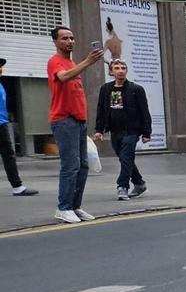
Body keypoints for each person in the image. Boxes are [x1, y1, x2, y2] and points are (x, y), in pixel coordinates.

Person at [48, 26, 104, 224]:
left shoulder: (70, 62)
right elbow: (62, 77)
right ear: (56, 42)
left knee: (82, 166)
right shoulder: (55, 62)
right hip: (64, 121)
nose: (70, 41)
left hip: (78, 122)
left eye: (72, 37)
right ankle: (63, 208)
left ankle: (75, 206)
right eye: (64, 38)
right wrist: (88, 61)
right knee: (70, 166)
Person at [92, 59, 151, 200]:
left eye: (123, 68)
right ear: (111, 72)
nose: (120, 71)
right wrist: (99, 130)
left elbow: (144, 111)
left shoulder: (136, 89)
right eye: (117, 68)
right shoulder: (106, 89)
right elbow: (101, 110)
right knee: (126, 159)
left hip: (131, 131)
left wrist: (146, 132)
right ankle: (139, 183)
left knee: (126, 158)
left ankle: (122, 187)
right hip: (115, 131)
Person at [0, 58, 33, 197]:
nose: (1, 68)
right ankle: (17, 186)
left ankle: (17, 186)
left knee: (8, 154)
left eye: (1, 66)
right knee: (8, 154)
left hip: (2, 123)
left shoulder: (1, 84)